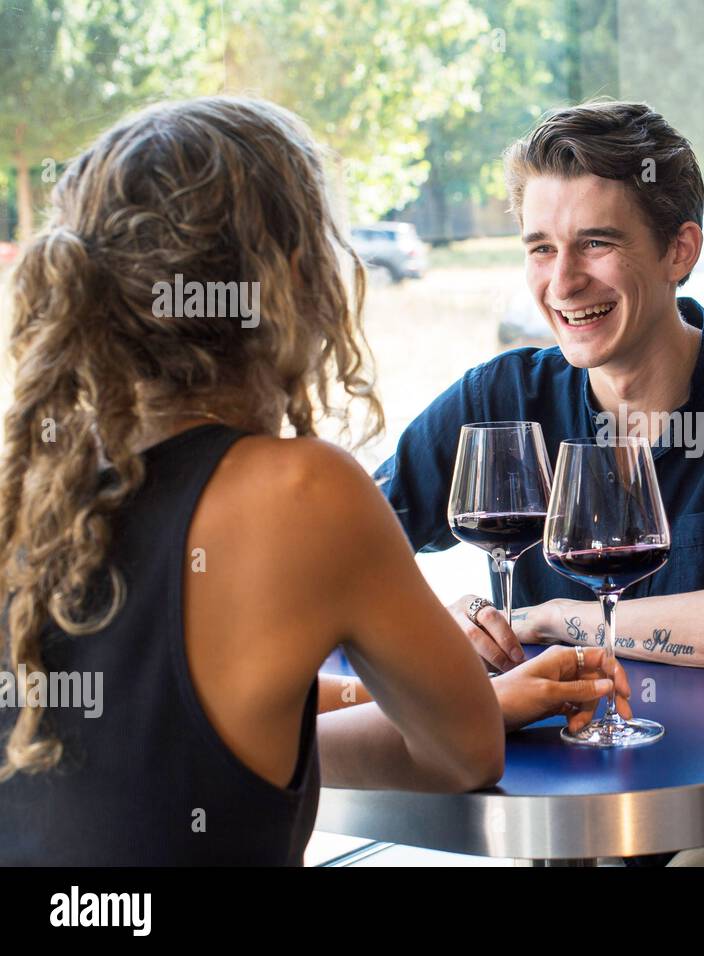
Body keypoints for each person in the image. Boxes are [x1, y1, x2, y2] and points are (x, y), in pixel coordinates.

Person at [0, 96, 630, 866]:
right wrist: (477, 704)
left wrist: (366, 699)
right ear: (296, 279)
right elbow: (463, 755)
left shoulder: (24, 489)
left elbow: (195, 740)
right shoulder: (302, 496)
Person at [375, 101, 704, 866]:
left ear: (679, 250)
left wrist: (549, 618)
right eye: (540, 248)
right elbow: (351, 547)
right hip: (557, 822)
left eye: (595, 243)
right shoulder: (500, 401)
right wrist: (459, 621)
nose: (562, 282)